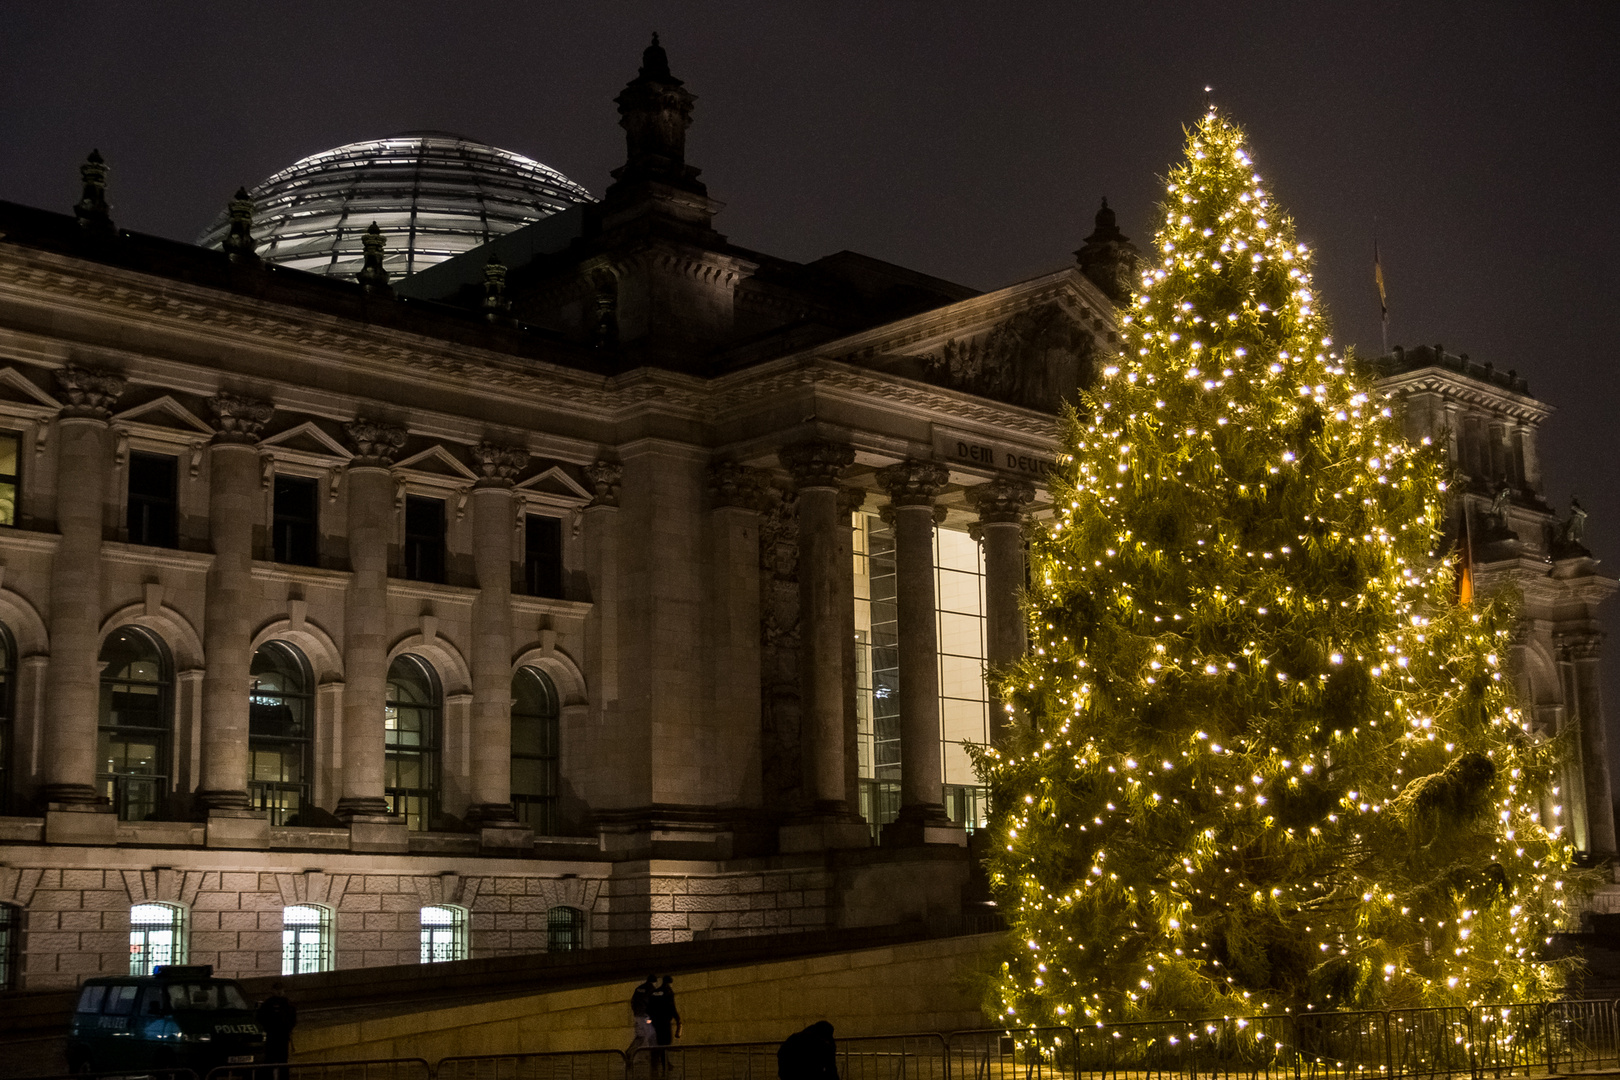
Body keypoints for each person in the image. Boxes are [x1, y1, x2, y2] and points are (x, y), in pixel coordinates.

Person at [255, 981, 297, 1078]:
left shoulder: (279, 1003)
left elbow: (260, 1017)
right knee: (275, 1060)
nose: (279, 992)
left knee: (278, 1061)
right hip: (277, 1035)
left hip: (278, 1035)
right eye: (277, 990)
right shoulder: (282, 1003)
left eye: (280, 990)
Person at [647, 974, 682, 1074]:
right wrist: (677, 1018)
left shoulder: (654, 992)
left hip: (655, 1023)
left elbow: (649, 1007)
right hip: (665, 1022)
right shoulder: (668, 992)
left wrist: (651, 1019)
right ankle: (664, 1064)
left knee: (658, 1043)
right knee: (665, 1043)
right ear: (669, 983)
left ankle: (660, 1064)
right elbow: (672, 1007)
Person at [627, 974, 657, 1056]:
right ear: (654, 982)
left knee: (640, 1036)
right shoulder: (652, 989)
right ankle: (654, 1056)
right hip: (646, 1017)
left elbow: (633, 1001)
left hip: (637, 1015)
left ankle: (629, 1052)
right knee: (652, 1036)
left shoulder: (638, 988)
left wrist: (635, 1012)